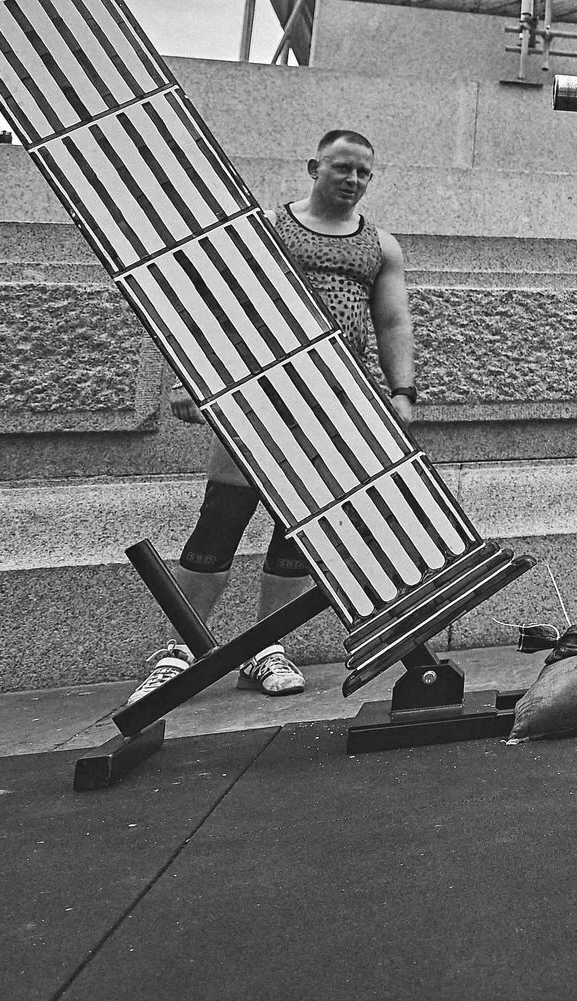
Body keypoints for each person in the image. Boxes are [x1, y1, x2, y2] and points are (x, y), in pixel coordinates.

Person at [127, 129, 420, 704]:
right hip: (257, 397)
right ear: (314, 166)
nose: (354, 180)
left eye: (364, 172)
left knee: (299, 534)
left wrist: (402, 392)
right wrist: (193, 376)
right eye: (342, 168)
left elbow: (393, 323)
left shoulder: (381, 246)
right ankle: (182, 649)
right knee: (220, 523)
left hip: (336, 403)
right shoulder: (265, 228)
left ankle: (267, 648)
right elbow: (212, 303)